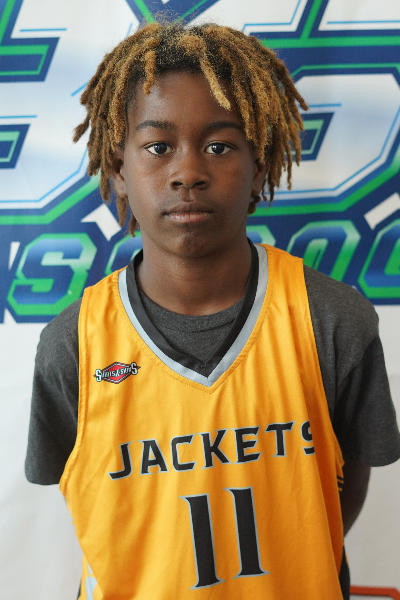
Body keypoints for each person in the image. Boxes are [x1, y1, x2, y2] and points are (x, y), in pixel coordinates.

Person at [25, 22, 400, 600]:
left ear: (259, 167)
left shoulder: (332, 319)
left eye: (220, 146)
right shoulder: (74, 343)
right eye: (158, 147)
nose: (188, 173)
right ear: (119, 170)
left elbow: (342, 486)